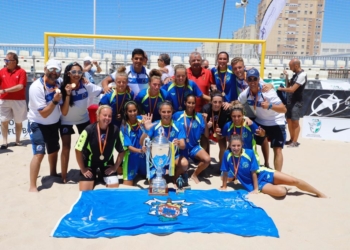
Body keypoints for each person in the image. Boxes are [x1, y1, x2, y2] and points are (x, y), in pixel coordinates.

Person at [220, 135, 326, 198]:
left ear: (242, 144)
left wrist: (256, 189)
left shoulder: (249, 153)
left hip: (263, 174)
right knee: (281, 193)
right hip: (253, 184)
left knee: (295, 181)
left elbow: (254, 172)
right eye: (233, 145)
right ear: (229, 145)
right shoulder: (227, 154)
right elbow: (224, 171)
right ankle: (285, 188)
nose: (236, 148)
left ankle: (319, 193)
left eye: (238, 145)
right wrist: (224, 186)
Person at [59, 62, 103, 183]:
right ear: (68, 73)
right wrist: (67, 95)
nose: (77, 74)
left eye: (79, 72)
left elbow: (103, 91)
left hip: (83, 119)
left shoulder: (86, 85)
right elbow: (64, 112)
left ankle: (86, 169)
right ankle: (64, 176)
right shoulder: (62, 88)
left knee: (86, 146)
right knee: (66, 147)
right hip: (65, 121)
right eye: (74, 72)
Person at [27, 59, 66, 192]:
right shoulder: (36, 87)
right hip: (38, 123)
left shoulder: (59, 82)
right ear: (45, 69)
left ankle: (53, 173)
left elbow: (72, 80)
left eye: (57, 70)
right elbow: (43, 113)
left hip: (54, 123)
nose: (54, 73)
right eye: (51, 70)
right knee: (39, 153)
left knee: (54, 150)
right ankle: (32, 185)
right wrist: (55, 101)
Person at [238, 68, 287, 172]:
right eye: (249, 79)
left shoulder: (268, 92)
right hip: (260, 121)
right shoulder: (246, 93)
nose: (252, 82)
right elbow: (237, 104)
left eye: (254, 79)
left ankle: (278, 175)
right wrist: (244, 116)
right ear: (246, 81)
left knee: (277, 149)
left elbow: (284, 109)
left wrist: (269, 105)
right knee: (248, 141)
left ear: (258, 79)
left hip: (276, 121)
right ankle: (253, 167)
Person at [231, 57, 273, 168]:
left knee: (262, 138)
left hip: (257, 113)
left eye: (240, 67)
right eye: (235, 68)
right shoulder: (233, 78)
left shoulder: (252, 76)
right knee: (243, 138)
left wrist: (271, 85)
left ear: (244, 67)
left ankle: (267, 163)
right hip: (244, 113)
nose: (238, 70)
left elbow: (266, 86)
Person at [75, 105, 125, 191]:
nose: (107, 118)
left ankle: (101, 173)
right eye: (104, 115)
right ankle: (94, 174)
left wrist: (115, 167)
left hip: (106, 163)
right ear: (98, 116)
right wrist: (83, 169)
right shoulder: (89, 130)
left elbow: (122, 150)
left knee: (114, 189)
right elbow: (77, 149)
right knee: (85, 191)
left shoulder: (115, 130)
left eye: (109, 116)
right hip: (90, 164)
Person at [140, 101, 187, 182]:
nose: (166, 114)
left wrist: (178, 143)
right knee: (154, 183)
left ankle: (174, 178)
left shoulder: (178, 125)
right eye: (163, 112)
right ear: (159, 112)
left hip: (173, 157)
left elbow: (183, 145)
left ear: (172, 112)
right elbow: (141, 143)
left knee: (184, 164)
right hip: (157, 158)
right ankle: (162, 174)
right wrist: (146, 131)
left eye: (169, 112)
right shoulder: (154, 125)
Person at [173, 94, 210, 184]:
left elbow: (206, 135)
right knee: (183, 168)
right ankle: (175, 178)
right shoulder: (177, 115)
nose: (191, 105)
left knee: (207, 160)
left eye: (193, 103)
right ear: (185, 103)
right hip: (181, 148)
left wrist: (205, 121)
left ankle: (194, 175)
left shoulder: (200, 116)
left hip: (194, 147)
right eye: (189, 102)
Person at [0, 52, 27, 148]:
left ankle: (17, 140)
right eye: (5, 60)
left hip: (18, 100)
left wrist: (4, 90)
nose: (5, 62)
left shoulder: (22, 72)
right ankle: (4, 142)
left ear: (14, 61)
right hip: (4, 99)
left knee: (18, 121)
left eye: (7, 60)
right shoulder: (2, 71)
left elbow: (20, 86)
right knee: (3, 121)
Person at [278, 58, 306, 148]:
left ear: (296, 66)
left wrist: (281, 89)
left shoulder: (302, 75)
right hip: (290, 101)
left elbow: (292, 89)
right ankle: (291, 139)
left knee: (295, 122)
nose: (290, 68)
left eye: (291, 66)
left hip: (296, 102)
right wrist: (286, 76)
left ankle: (295, 141)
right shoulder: (295, 75)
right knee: (289, 120)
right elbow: (288, 85)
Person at [201, 91, 231, 166]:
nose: (217, 104)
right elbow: (204, 132)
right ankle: (206, 164)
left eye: (220, 102)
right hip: (208, 129)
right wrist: (207, 126)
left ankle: (221, 166)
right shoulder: (205, 109)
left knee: (223, 147)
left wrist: (230, 104)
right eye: (215, 102)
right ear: (211, 101)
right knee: (204, 145)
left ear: (223, 102)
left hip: (220, 130)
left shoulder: (225, 109)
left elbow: (238, 105)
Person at [120, 101, 147, 185]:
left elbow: (149, 136)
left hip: (143, 158)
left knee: (151, 181)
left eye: (134, 110)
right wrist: (140, 151)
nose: (133, 113)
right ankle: (120, 168)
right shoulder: (124, 126)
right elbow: (128, 147)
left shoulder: (142, 121)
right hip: (131, 158)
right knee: (127, 186)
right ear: (126, 112)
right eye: (130, 111)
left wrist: (147, 126)